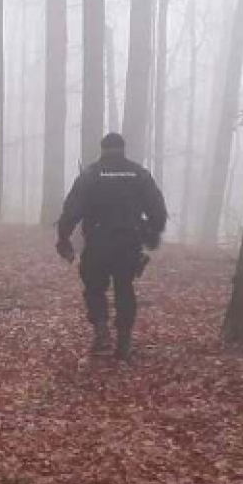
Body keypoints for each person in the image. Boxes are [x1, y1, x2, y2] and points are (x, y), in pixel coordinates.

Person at [56, 133, 168, 362]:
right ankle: (124, 340)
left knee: (94, 288)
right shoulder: (139, 174)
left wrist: (63, 237)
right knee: (124, 288)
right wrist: (150, 232)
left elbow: (72, 210)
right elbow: (158, 210)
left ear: (102, 148)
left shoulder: (90, 174)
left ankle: (101, 329)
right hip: (128, 243)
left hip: (98, 241)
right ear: (123, 148)